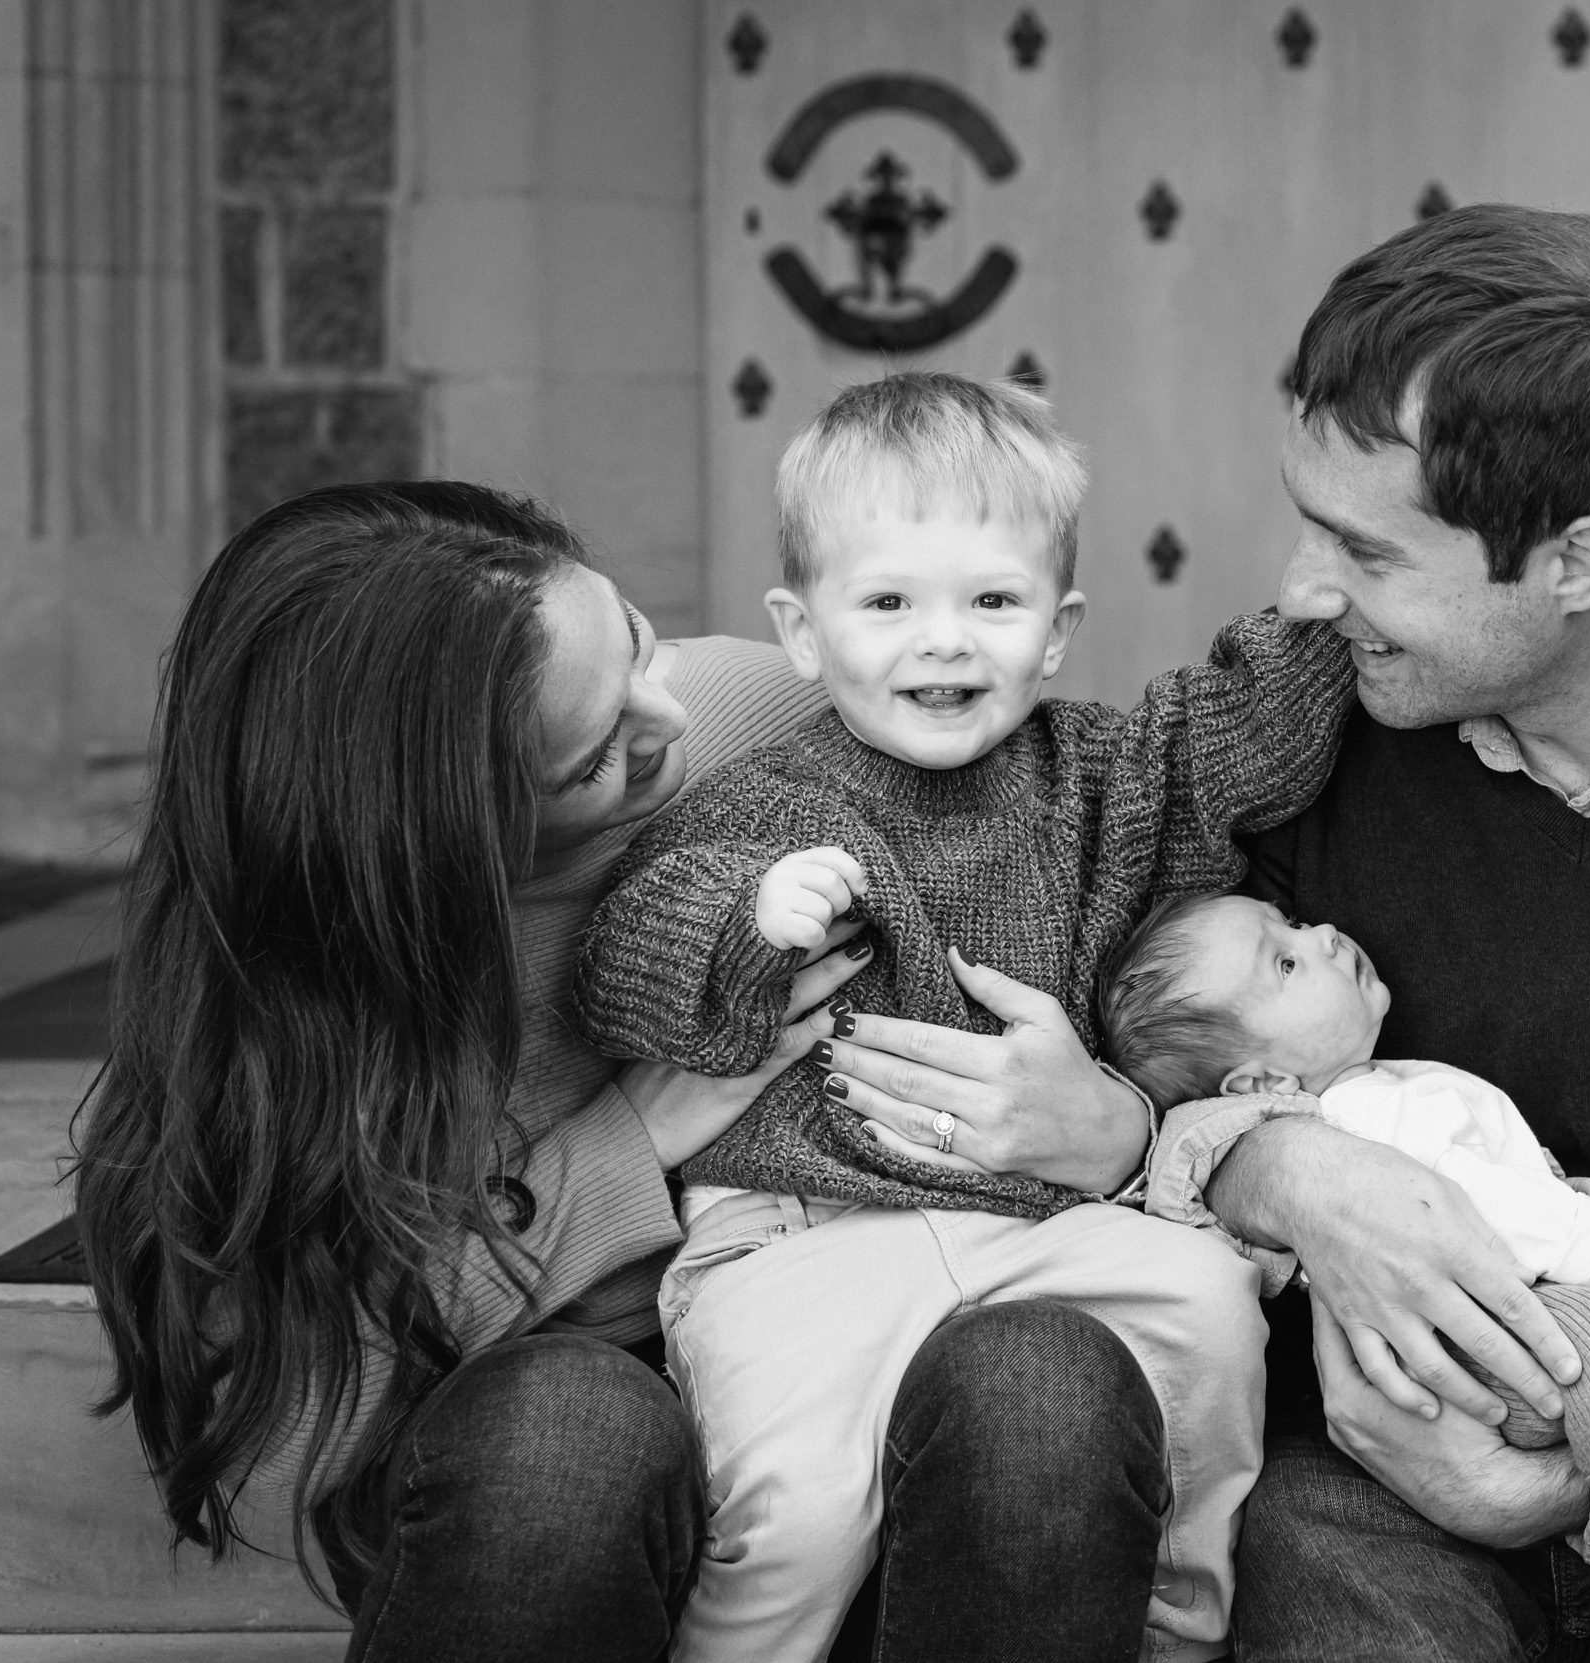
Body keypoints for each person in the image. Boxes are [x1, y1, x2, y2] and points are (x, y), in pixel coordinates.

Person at [809, 204, 1590, 1660]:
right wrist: (1272, 1159)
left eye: (1365, 552)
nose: (1307, 589)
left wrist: (1557, 1477)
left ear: (1572, 563)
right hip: (1360, 1471)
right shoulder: (1310, 722)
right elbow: (1154, 1029)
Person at [72, 481, 1168, 1663]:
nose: (670, 718)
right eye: (600, 754)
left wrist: (1119, 1127)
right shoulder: (308, 1010)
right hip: (563, 1497)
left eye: (639, 641)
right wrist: (628, 1143)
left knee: (1041, 1384)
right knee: (571, 1430)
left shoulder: (755, 707)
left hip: (883, 1392)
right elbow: (278, 1429)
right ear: (438, 828)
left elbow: (1123, 899)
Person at [573, 372, 1355, 1663]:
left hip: (1045, 1219)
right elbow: (623, 962)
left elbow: (1230, 735)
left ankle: (1175, 1617)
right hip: (798, 1231)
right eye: (888, 602)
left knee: (1212, 1307)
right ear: (804, 628)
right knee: (794, 1512)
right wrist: (750, 921)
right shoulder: (762, 801)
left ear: (1056, 630)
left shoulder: (1101, 774)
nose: (945, 641)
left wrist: (1319, 618)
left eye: (992, 601)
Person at [1098, 890, 1590, 1565]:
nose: (1318, 933)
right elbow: (1467, 1206)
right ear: (1261, 1085)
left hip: (1514, 1316)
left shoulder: (1380, 1087)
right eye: (1285, 962)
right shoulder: (1362, 1120)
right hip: (1483, 1357)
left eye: (1289, 921)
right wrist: (1585, 1240)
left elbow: (1483, 1170)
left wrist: (1551, 1186)